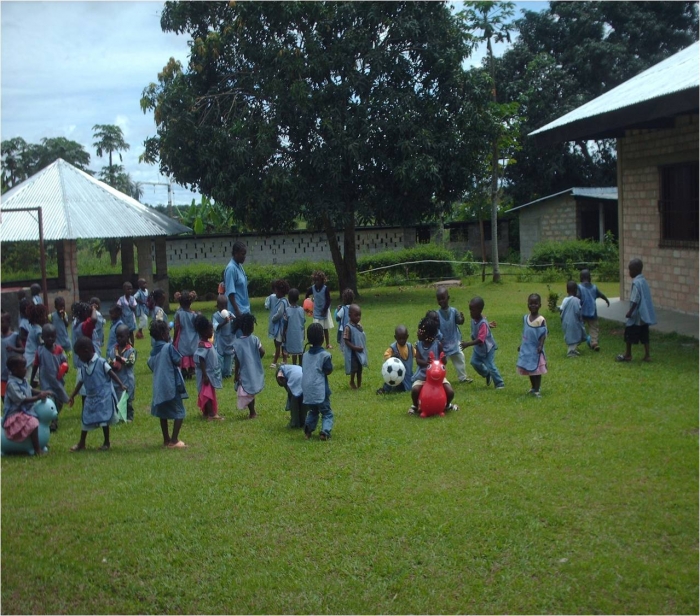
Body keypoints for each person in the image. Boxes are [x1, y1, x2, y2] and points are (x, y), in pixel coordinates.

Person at [67, 336, 126, 452]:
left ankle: (106, 442)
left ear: (86, 351)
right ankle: (82, 443)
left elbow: (111, 373)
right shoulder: (84, 366)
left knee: (104, 420)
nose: (79, 358)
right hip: (90, 397)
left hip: (103, 396)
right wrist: (73, 395)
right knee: (86, 419)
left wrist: (121, 384)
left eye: (79, 355)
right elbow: (81, 382)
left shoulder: (100, 362)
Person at [147, 320, 188, 448]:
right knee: (179, 412)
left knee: (162, 414)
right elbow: (178, 360)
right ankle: (174, 440)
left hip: (159, 387)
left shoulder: (153, 351)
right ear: (163, 334)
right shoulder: (168, 347)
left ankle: (166, 439)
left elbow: (151, 364)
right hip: (171, 386)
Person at [2, 355, 51, 456]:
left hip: (25, 410)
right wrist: (38, 397)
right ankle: (37, 449)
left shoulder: (22, 380)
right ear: (15, 370)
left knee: (38, 415)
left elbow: (31, 390)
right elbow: (21, 400)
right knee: (32, 423)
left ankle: (40, 440)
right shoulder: (12, 384)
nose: (26, 369)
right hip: (15, 414)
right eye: (23, 367)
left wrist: (42, 392)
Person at [408, 316, 457, 415]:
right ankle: (415, 406)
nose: (418, 332)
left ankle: (447, 405)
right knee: (415, 390)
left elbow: (443, 362)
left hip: (436, 377)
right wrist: (426, 362)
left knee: (450, 392)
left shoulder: (437, 345)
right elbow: (418, 360)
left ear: (427, 334)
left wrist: (443, 360)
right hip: (422, 376)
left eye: (420, 330)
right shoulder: (418, 345)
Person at [30, 323, 69, 431]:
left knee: (59, 401)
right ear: (42, 337)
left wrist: (65, 368)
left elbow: (64, 362)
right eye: (47, 336)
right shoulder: (40, 351)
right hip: (46, 381)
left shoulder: (59, 350)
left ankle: (55, 415)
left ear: (56, 336)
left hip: (57, 381)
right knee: (49, 400)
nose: (50, 339)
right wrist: (33, 378)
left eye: (53, 336)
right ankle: (53, 422)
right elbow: (36, 365)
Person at [617, 258, 657, 363]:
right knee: (645, 335)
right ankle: (647, 355)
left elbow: (635, 299)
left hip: (637, 315)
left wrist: (630, 312)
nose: (629, 272)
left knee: (629, 333)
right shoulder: (644, 281)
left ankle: (628, 354)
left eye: (630, 270)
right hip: (644, 315)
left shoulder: (636, 283)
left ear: (635, 270)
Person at [460, 297, 504, 389]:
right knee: (474, 362)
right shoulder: (475, 318)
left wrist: (467, 344)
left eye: (473, 310)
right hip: (479, 349)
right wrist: (488, 324)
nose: (471, 312)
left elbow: (480, 339)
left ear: (479, 310)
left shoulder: (482, 323)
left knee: (490, 365)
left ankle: (499, 383)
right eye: (470, 309)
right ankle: (487, 374)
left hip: (487, 349)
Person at [302, 323, 334, 441]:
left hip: (307, 391)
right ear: (322, 338)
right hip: (321, 390)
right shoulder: (325, 355)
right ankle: (325, 432)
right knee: (326, 412)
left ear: (308, 339)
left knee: (313, 410)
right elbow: (328, 370)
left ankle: (308, 429)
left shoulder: (304, 355)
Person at [232, 313, 265, 419]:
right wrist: (256, 358)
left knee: (247, 390)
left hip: (244, 371)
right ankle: (252, 411)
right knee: (250, 391)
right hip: (253, 369)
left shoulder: (237, 343)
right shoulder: (255, 339)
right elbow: (262, 351)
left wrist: (236, 374)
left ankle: (252, 412)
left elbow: (237, 360)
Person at [436, 286, 472, 384]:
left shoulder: (453, 311)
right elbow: (436, 327)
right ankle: (439, 378)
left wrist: (462, 319)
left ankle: (463, 377)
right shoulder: (437, 314)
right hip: (443, 343)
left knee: (460, 359)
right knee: (441, 362)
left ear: (448, 298)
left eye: (443, 298)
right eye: (439, 299)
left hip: (454, 341)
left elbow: (459, 321)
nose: (441, 301)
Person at [516, 293, 548, 397]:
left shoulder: (541, 320)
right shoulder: (525, 318)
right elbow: (525, 332)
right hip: (527, 348)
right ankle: (533, 387)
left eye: (535, 303)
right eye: (531, 303)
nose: (533, 305)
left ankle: (537, 389)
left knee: (536, 370)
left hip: (536, 349)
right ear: (527, 304)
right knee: (529, 369)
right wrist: (522, 345)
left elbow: (543, 334)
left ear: (540, 305)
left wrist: (540, 345)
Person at [194, 315, 224, 421]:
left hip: (209, 373)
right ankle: (211, 414)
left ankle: (207, 412)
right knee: (207, 394)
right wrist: (205, 375)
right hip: (206, 374)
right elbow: (201, 359)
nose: (212, 331)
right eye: (210, 329)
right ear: (204, 332)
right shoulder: (203, 345)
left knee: (208, 393)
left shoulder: (207, 343)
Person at [108, 324, 137, 423]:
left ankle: (129, 417)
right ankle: (118, 416)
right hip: (116, 379)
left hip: (127, 380)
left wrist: (121, 359)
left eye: (121, 336)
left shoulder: (131, 350)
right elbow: (108, 361)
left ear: (127, 336)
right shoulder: (113, 350)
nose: (119, 339)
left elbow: (131, 362)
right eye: (117, 336)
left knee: (127, 400)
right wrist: (112, 364)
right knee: (116, 398)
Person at [577, 269, 610, 352]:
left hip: (582, 313)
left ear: (581, 278)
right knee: (594, 328)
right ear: (590, 278)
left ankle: (576, 342)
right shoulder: (594, 288)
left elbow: (577, 297)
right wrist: (606, 300)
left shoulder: (579, 287)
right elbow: (601, 295)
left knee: (579, 327)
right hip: (592, 313)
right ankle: (594, 342)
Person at [377, 324, 414, 394]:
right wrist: (392, 356)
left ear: (407, 337)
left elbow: (417, 355)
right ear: (395, 337)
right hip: (395, 372)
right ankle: (384, 389)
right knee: (391, 377)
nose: (402, 340)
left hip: (408, 374)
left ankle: (400, 387)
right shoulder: (393, 347)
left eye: (404, 338)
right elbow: (385, 356)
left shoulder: (410, 347)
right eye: (399, 339)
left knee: (409, 386)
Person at [173, 290, 199, 379]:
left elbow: (177, 328)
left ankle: (184, 369)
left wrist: (174, 339)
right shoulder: (194, 315)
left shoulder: (179, 314)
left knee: (183, 354)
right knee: (192, 353)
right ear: (190, 302)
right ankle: (192, 368)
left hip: (183, 337)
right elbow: (197, 327)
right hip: (193, 338)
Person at [224, 240, 250, 328]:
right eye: (242, 254)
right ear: (235, 253)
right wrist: (237, 310)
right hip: (237, 311)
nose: (244, 257)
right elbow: (230, 292)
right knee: (239, 338)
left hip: (244, 308)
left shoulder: (239, 266)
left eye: (245, 254)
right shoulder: (231, 269)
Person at [305, 270, 333, 349]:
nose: (317, 282)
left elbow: (328, 300)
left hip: (324, 310)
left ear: (322, 280)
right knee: (316, 328)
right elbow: (307, 294)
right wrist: (307, 303)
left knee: (325, 328)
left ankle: (327, 343)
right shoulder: (313, 288)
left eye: (318, 280)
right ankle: (315, 343)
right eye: (315, 280)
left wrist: (324, 310)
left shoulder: (325, 289)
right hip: (316, 310)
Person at [559, 280, 587, 357]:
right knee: (574, 335)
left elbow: (561, 310)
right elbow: (578, 311)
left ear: (567, 290)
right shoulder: (576, 300)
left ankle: (573, 350)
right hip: (574, 321)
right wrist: (581, 319)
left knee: (571, 335)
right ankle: (571, 352)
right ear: (576, 290)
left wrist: (562, 319)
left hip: (566, 321)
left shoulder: (565, 300)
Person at [343, 304, 368, 389]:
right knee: (354, 369)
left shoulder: (359, 326)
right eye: (356, 315)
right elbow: (346, 341)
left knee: (360, 369)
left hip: (359, 352)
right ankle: (352, 381)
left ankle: (359, 384)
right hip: (353, 353)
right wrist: (355, 348)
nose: (358, 317)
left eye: (359, 315)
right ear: (350, 315)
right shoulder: (348, 327)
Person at [276, 363, 306, 428]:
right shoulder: (294, 367)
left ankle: (294, 423)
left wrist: (289, 392)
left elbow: (280, 379)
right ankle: (303, 422)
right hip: (305, 379)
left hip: (295, 380)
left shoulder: (281, 370)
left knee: (294, 404)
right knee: (303, 403)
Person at [22, 304, 47, 382]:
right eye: (44, 315)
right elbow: (44, 344)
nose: (45, 317)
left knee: (32, 379)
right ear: (39, 318)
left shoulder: (33, 328)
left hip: (28, 357)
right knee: (30, 380)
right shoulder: (38, 331)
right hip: (32, 359)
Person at [1, 311, 23, 400]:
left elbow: (22, 349)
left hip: (14, 373)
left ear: (9, 322)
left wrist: (14, 349)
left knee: (15, 396)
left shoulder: (15, 336)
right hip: (2, 375)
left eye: (2, 322)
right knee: (4, 397)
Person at [212, 294, 235, 378]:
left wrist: (233, 320)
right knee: (219, 360)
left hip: (229, 341)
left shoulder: (230, 314)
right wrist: (224, 322)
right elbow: (215, 327)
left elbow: (235, 323)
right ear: (218, 306)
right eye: (222, 306)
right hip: (220, 342)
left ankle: (227, 372)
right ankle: (219, 372)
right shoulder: (215, 316)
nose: (224, 308)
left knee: (227, 369)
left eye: (225, 305)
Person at [269, 279, 290, 368]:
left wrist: (273, 319)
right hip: (282, 327)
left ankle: (275, 361)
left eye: (276, 290)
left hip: (281, 327)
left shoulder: (282, 302)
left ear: (280, 291)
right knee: (282, 344)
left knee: (278, 344)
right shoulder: (285, 300)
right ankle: (284, 360)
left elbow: (279, 313)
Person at [282, 288, 305, 366]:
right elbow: (303, 321)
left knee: (293, 351)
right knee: (300, 350)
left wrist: (283, 333)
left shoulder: (287, 310)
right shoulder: (301, 310)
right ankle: (301, 365)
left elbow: (285, 323)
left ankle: (294, 365)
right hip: (300, 333)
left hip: (291, 334)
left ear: (289, 298)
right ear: (298, 298)